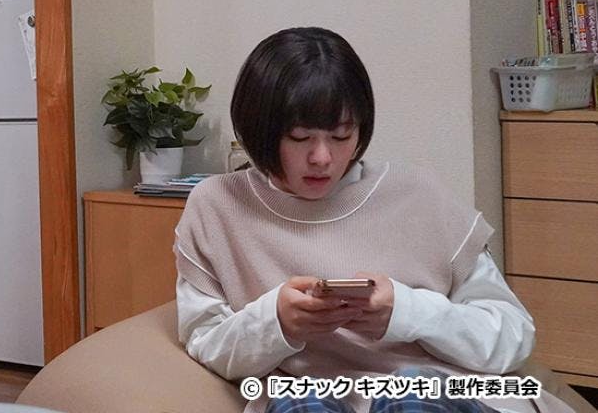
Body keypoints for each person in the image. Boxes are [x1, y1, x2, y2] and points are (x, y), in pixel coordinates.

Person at [173, 27, 571, 413]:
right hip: (307, 397)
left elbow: (511, 336)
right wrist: (276, 322)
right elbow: (205, 341)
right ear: (259, 129)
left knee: (411, 395)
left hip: (435, 392)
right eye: (300, 137)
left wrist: (408, 311)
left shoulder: (417, 195)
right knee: (300, 402)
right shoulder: (219, 205)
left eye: (341, 136)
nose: (322, 158)